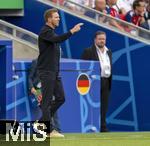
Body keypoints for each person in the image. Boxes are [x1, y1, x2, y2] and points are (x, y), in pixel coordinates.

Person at [37, 8, 83, 137]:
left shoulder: (52, 33)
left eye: (58, 17)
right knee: (45, 103)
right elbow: (57, 39)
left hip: (54, 72)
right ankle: (49, 130)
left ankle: (41, 122)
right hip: (46, 71)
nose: (59, 19)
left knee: (61, 98)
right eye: (56, 17)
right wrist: (72, 31)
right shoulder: (45, 31)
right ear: (49, 19)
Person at [81, 31, 112, 132]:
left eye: (103, 39)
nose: (102, 41)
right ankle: (91, 127)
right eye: (100, 39)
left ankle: (103, 127)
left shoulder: (109, 51)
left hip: (106, 81)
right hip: (94, 82)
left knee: (104, 106)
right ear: (95, 40)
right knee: (92, 106)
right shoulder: (88, 51)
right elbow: (83, 68)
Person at [28, 59, 63, 137]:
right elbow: (30, 77)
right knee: (47, 110)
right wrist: (32, 88)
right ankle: (51, 130)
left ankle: (57, 130)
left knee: (53, 110)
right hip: (38, 91)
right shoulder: (36, 62)